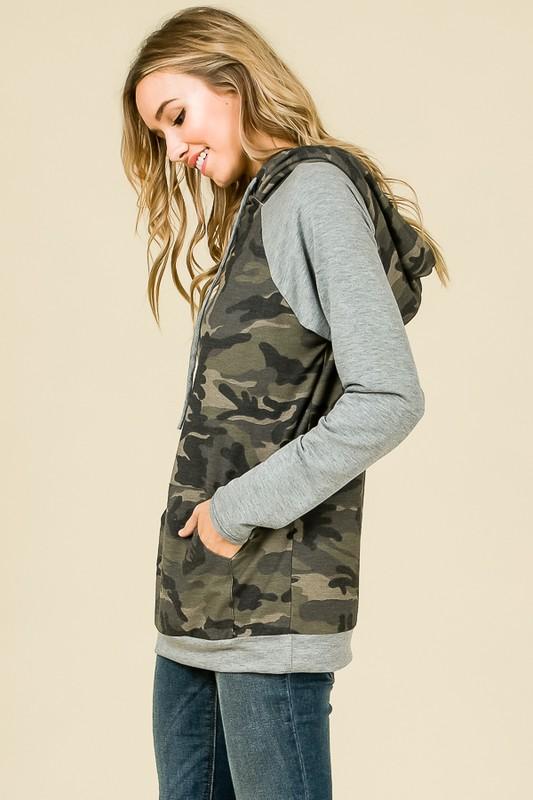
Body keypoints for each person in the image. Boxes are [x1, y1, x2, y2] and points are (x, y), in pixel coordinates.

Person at [121, 6, 449, 799]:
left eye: (176, 117)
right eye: (159, 135)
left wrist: (235, 512)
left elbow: (388, 396)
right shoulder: (259, 206)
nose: (175, 149)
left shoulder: (313, 193)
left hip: (269, 614)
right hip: (196, 611)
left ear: (232, 81)